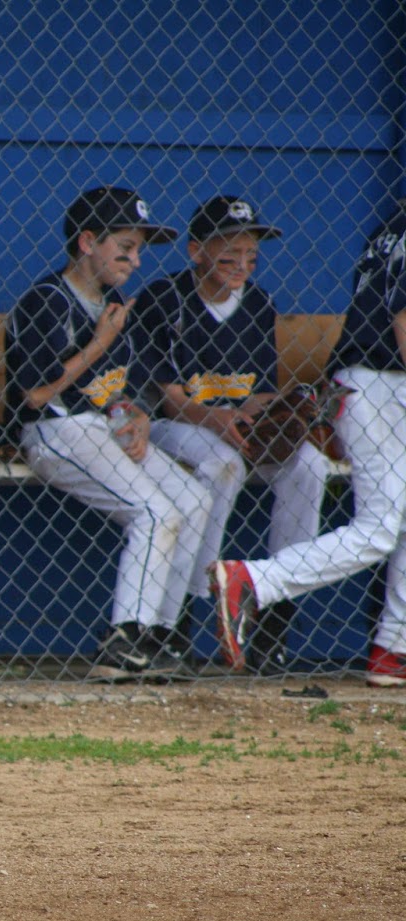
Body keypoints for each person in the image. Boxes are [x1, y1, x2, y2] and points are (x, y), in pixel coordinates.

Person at [4, 186, 212, 681]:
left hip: (101, 427)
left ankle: (158, 635)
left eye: (139, 249)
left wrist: (136, 415)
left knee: (194, 500)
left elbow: (119, 388)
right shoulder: (47, 301)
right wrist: (98, 342)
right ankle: (124, 639)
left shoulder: (114, 301)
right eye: (125, 247)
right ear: (87, 242)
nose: (136, 260)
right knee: (153, 511)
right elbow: (33, 395)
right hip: (54, 430)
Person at [211, 198, 406, 686]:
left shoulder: (392, 224)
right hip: (385, 383)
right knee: (380, 529)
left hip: (369, 382)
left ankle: (393, 650)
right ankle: (254, 581)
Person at [132, 196, 329, 674]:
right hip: (174, 427)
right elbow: (168, 397)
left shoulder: (258, 302)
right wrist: (218, 419)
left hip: (235, 427)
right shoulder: (164, 298)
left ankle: (275, 618)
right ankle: (186, 617)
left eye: (251, 257)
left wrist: (285, 410)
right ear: (196, 251)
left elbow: (258, 392)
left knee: (310, 466)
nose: (242, 266)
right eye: (227, 257)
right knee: (223, 463)